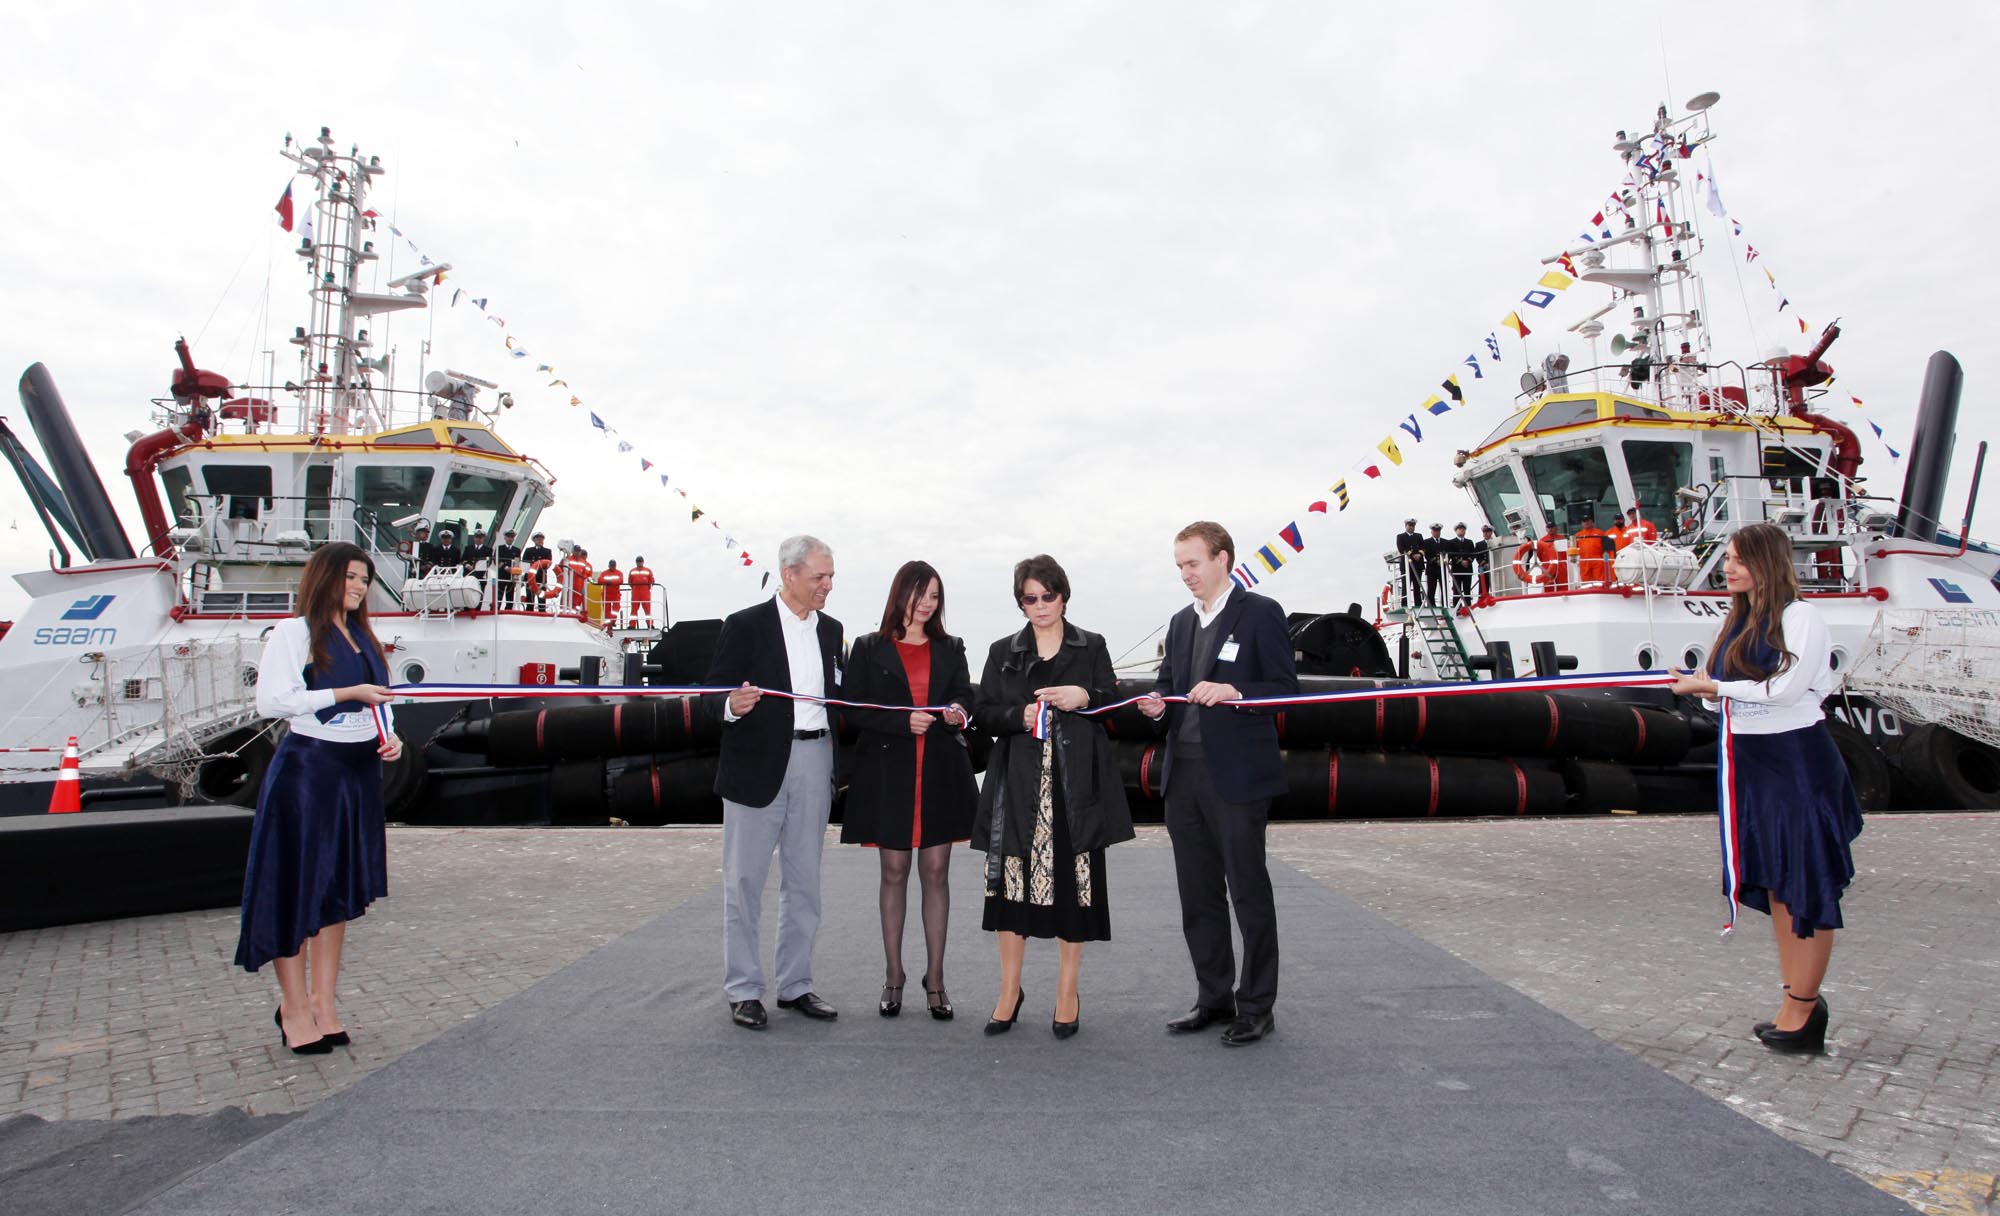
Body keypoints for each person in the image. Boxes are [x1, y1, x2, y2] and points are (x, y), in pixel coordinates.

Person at [1668, 522, 1860, 1054]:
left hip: (1795, 761)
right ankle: (1795, 999)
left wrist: (1711, 684)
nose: (1727, 567)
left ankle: (1803, 1005)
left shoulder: (1801, 617)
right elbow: (1718, 698)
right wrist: (1700, 689)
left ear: (1766, 562)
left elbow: (1786, 688)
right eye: (1727, 558)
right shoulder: (1738, 620)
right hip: (1752, 763)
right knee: (1778, 883)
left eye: (1737, 559)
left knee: (1805, 881)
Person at [235, 542, 402, 1054]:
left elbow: (379, 696)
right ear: (325, 576)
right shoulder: (294, 631)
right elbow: (273, 701)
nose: (358, 587)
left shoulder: (362, 636)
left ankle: (323, 1003)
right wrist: (345, 696)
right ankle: (293, 1007)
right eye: (350, 577)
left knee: (334, 894)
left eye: (364, 579)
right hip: (309, 770)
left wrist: (388, 733)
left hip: (356, 771)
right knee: (296, 889)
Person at [1137, 523, 1297, 1047]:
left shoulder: (1261, 614)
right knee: (1198, 895)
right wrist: (1157, 705)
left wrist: (1235, 690)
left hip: (1238, 778)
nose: (1185, 574)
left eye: (1193, 563)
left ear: (1222, 559)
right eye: (1179, 565)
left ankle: (1256, 1006)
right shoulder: (1181, 624)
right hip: (1182, 777)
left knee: (1249, 893)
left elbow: (1283, 692)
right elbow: (1169, 687)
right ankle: (1213, 997)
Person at [972, 554, 1133, 1040]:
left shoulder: (1093, 645)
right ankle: (1009, 990)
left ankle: (1068, 991)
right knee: (1009, 891)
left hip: (1074, 786)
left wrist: (1086, 698)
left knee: (1074, 890)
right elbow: (982, 713)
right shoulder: (1002, 650)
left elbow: (1115, 704)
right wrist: (1019, 716)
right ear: (1020, 602)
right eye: (1029, 598)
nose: (1040, 605)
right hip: (1016, 787)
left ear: (1063, 595)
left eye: (1048, 595)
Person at [705, 535, 843, 1030]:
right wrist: (728, 705)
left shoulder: (832, 631)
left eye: (830, 576)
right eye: (819, 577)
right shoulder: (744, 626)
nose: (828, 585)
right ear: (790, 575)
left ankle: (796, 984)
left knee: (805, 883)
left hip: (814, 758)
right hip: (756, 767)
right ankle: (743, 990)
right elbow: (710, 693)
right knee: (744, 883)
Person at [839, 561, 978, 1020]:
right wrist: (902, 721)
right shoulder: (867, 648)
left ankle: (935, 979)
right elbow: (852, 712)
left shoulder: (951, 647)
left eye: (935, 596)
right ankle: (894, 974)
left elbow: (964, 697)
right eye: (920, 594)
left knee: (936, 872)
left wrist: (958, 711)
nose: (927, 604)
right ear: (901, 594)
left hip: (939, 770)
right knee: (894, 871)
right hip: (888, 773)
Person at [1445, 522, 1478, 608]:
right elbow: (1451, 554)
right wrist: (1461, 561)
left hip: (1467, 569)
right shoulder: (1451, 542)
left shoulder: (1469, 542)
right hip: (1457, 569)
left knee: (1467, 589)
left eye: (1463, 529)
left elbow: (1473, 553)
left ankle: (1468, 606)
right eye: (1460, 529)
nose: (1462, 530)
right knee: (1457, 589)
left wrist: (1468, 561)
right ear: (1456, 531)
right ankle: (1457, 607)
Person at [1393, 518, 1424, 606]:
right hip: (1406, 565)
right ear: (1406, 526)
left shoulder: (1419, 536)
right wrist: (1412, 555)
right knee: (1406, 585)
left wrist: (1420, 555)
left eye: (1413, 526)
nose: (1411, 527)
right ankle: (1405, 603)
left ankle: (1418, 603)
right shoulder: (1400, 536)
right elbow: (1401, 548)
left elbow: (1423, 547)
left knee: (1417, 585)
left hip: (1418, 564)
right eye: (1409, 525)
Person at [1574, 512, 1610, 586]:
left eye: (1588, 520)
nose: (1586, 522)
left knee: (1600, 581)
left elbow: (1606, 547)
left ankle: (1601, 593)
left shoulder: (1600, 533)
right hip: (1584, 561)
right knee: (1585, 582)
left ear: (1592, 522)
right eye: (1584, 521)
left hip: (1597, 560)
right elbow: (1573, 548)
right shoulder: (1578, 535)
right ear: (1581, 523)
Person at [520, 531, 553, 610]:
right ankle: (528, 614)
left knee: (541, 600)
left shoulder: (547, 551)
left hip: (541, 578)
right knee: (530, 599)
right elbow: (525, 563)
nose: (540, 540)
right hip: (530, 578)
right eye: (538, 539)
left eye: (541, 539)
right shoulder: (528, 550)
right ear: (534, 540)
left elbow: (548, 563)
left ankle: (542, 614)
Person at [463, 527, 494, 604]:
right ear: (474, 538)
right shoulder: (468, 548)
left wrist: (476, 567)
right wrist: (467, 566)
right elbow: (463, 559)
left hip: (480, 576)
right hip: (468, 575)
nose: (478, 539)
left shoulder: (488, 550)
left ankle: (477, 610)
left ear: (483, 539)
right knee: (466, 594)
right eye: (477, 537)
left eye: (480, 537)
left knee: (479, 595)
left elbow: (488, 563)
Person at [494, 529, 523, 610]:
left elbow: (517, 562)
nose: (510, 538)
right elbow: (496, 561)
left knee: (510, 596)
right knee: (499, 595)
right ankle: (496, 609)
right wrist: (505, 567)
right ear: (505, 538)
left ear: (513, 538)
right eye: (508, 536)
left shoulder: (517, 550)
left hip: (512, 576)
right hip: (502, 575)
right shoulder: (499, 548)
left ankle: (508, 610)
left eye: (512, 537)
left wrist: (515, 574)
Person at [1420, 523, 1447, 608]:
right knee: (1431, 588)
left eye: (1438, 531)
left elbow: (1447, 553)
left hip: (1442, 568)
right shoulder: (1426, 542)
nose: (1436, 532)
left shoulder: (1445, 542)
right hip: (1432, 568)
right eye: (1435, 531)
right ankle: (1431, 605)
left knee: (1444, 588)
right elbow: (1426, 554)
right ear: (1431, 532)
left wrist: (1444, 560)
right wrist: (1436, 560)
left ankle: (1445, 604)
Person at [627, 557, 657, 629]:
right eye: (638, 561)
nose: (639, 563)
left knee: (647, 609)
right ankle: (632, 625)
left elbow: (652, 581)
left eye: (640, 561)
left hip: (645, 592)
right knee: (634, 610)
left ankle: (650, 624)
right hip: (635, 592)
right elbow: (629, 582)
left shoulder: (648, 570)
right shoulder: (632, 571)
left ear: (643, 562)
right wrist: (635, 588)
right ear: (636, 562)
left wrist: (646, 588)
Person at [596, 559, 624, 625]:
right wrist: (608, 582)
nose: (612, 567)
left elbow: (620, 581)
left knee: (616, 608)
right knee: (606, 610)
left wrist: (610, 582)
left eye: (613, 565)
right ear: (609, 565)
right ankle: (607, 623)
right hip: (606, 595)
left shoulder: (619, 573)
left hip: (615, 595)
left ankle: (612, 621)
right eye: (611, 565)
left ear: (615, 566)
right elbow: (599, 580)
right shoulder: (604, 573)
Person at [1476, 523, 1499, 598]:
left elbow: (1497, 555)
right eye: (1484, 532)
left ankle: (1495, 598)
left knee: (1495, 585)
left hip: (1494, 568)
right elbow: (1478, 557)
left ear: (1491, 532)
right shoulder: (1479, 544)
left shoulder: (1496, 543)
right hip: (1483, 568)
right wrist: (1485, 564)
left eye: (1487, 532)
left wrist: (1491, 564)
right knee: (1483, 587)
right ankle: (1482, 600)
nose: (1485, 533)